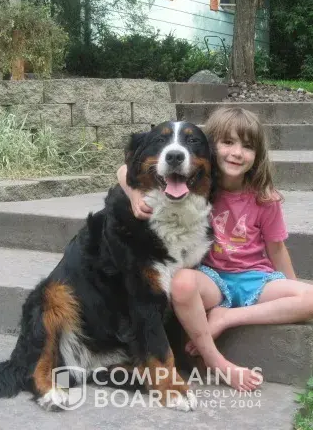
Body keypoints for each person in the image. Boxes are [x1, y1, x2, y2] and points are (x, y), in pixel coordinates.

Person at [117, 107, 313, 391]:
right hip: (213, 279)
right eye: (228, 142)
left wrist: (291, 290)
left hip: (255, 278)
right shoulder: (200, 186)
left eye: (247, 146)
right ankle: (217, 361)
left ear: (258, 155)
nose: (237, 153)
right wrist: (135, 194)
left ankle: (227, 316)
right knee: (182, 282)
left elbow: (277, 249)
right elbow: (123, 169)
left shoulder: (265, 199)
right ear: (210, 148)